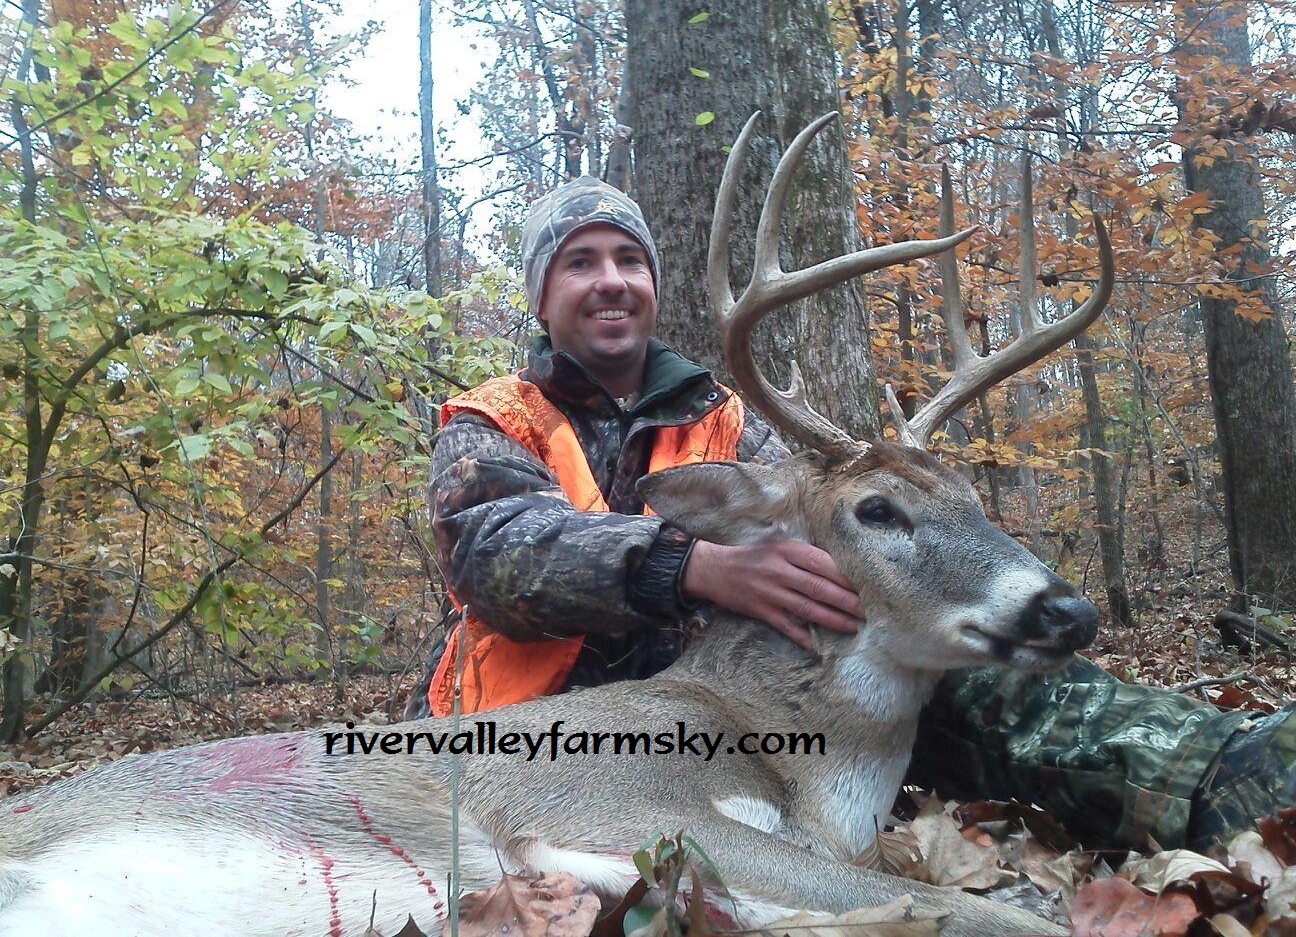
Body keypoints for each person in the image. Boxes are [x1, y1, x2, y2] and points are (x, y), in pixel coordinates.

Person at [408, 175, 1296, 852]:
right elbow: (496, 557)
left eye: (628, 260)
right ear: (541, 294)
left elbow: (842, 542)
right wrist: (688, 564)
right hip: (544, 733)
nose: (611, 281)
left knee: (933, 645)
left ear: (650, 282)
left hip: (732, 709)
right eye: (580, 262)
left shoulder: (728, 422)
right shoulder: (496, 421)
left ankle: (1217, 773)